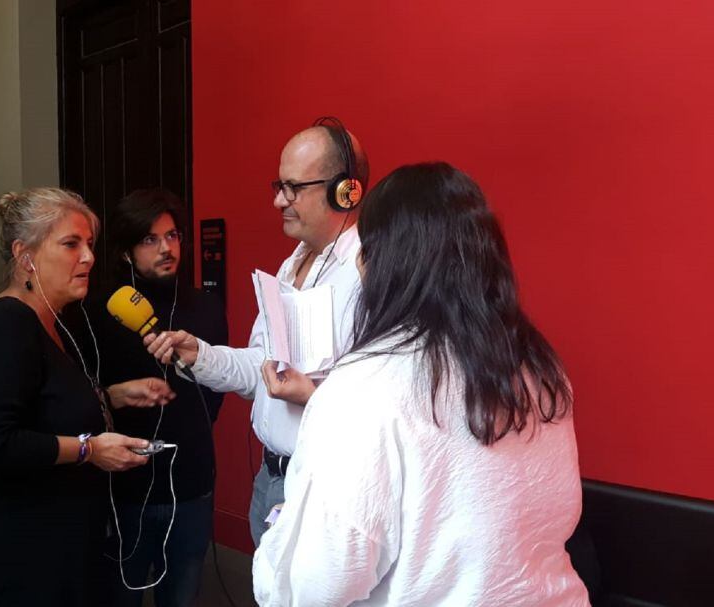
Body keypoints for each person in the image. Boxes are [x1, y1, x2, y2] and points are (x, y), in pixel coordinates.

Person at [252, 163, 589, 606]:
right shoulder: (538, 369)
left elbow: (317, 585)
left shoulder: (364, 387)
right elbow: (558, 512)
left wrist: (278, 545)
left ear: (382, 261)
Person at [144, 117, 370, 546]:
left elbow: (382, 409)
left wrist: (313, 396)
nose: (279, 201)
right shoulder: (292, 263)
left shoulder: (369, 275)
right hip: (270, 479)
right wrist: (200, 354)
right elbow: (259, 371)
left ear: (346, 191)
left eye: (293, 188)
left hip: (325, 484)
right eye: (277, 187)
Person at [0, 187, 176, 607]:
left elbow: (43, 407)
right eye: (71, 244)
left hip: (65, 553)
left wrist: (110, 396)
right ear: (25, 256)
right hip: (24, 566)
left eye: (89, 244)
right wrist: (89, 450)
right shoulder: (5, 329)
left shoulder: (54, 322)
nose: (89, 257)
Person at [81, 188, 228, 606]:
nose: (166, 248)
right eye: (150, 239)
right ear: (126, 252)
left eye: (173, 236)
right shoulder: (98, 312)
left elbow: (215, 393)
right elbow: (81, 396)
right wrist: (112, 397)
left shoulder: (206, 307)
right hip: (124, 491)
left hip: (191, 487)